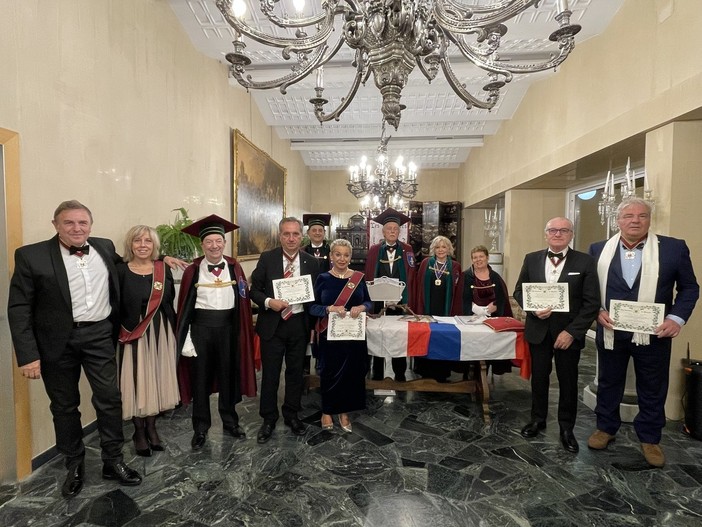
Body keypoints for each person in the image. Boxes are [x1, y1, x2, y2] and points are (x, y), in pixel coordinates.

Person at [7, 200, 142, 498]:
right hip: (57, 343)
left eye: (82, 223)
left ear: (91, 226)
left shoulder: (104, 247)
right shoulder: (31, 256)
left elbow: (129, 265)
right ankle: (75, 464)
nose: (76, 228)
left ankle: (113, 461)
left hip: (99, 335)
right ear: (55, 225)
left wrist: (163, 260)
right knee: (64, 406)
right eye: (69, 223)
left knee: (109, 399)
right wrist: (28, 355)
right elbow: (19, 309)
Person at [587, 198, 699, 467]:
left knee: (652, 386)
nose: (635, 220)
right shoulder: (598, 249)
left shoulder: (673, 248)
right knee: (608, 382)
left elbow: (690, 288)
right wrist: (596, 311)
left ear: (650, 219)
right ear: (618, 220)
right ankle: (606, 428)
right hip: (611, 331)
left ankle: (650, 439)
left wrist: (676, 318)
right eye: (628, 216)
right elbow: (588, 290)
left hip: (654, 334)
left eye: (642, 215)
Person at [513, 217, 600, 453]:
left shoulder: (585, 261)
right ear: (546, 234)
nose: (557, 234)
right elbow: (519, 291)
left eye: (563, 230)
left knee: (568, 381)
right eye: (553, 230)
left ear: (571, 234)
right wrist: (531, 308)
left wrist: (572, 332)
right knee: (539, 378)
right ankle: (537, 419)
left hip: (567, 333)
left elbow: (592, 303)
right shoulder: (531, 259)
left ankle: (566, 428)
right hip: (538, 330)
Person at [176, 215, 257, 450]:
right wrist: (187, 336)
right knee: (200, 379)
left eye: (218, 241)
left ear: (224, 242)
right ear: (202, 245)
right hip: (201, 329)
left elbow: (243, 299)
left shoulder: (234, 266)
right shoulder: (193, 270)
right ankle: (200, 428)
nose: (214, 246)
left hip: (229, 329)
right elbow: (186, 306)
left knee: (228, 376)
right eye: (209, 242)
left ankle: (230, 421)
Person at [250, 217, 320, 443]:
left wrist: (311, 327)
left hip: (299, 325)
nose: (291, 238)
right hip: (273, 324)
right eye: (286, 234)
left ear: (302, 236)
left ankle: (292, 414)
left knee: (295, 374)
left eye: (295, 234)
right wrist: (270, 301)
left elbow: (315, 298)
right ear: (279, 236)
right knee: (270, 375)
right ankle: (268, 419)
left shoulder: (311, 262)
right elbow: (255, 291)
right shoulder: (267, 258)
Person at [117, 225, 179, 456]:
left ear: (155, 245)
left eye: (148, 241)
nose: (143, 245)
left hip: (160, 330)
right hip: (134, 332)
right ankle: (139, 431)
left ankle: (152, 428)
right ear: (130, 245)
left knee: (156, 377)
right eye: (137, 241)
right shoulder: (120, 270)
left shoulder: (163, 269)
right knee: (137, 380)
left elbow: (169, 301)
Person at [309, 239, 372, 432]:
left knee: (352, 375)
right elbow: (312, 307)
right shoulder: (323, 279)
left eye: (346, 255)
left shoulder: (359, 278)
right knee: (330, 374)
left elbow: (370, 303)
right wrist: (329, 308)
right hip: (330, 335)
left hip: (354, 337)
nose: (342, 258)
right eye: (338, 254)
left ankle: (344, 412)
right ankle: (327, 411)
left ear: (350, 257)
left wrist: (362, 307)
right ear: (331, 256)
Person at [364, 207, 416, 381]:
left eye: (395, 229)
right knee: (378, 336)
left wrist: (403, 296)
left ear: (399, 231)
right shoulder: (374, 250)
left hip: (400, 303)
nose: (392, 231)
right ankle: (377, 374)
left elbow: (411, 276)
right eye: (389, 229)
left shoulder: (407, 249)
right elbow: (369, 276)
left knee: (398, 337)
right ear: (383, 231)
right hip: (379, 304)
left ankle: (400, 374)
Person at [413, 235, 463, 382]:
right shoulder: (425, 263)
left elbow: (457, 290)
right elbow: (418, 287)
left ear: (449, 249)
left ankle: (443, 371)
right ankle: (424, 370)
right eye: (437, 247)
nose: (441, 250)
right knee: (427, 337)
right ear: (433, 249)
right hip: (427, 307)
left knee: (443, 338)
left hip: (446, 309)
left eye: (444, 247)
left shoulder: (455, 266)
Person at [463, 245, 514, 375]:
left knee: (489, 348)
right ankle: (471, 374)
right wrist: (476, 309)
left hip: (493, 319)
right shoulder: (466, 276)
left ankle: (485, 373)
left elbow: (502, 298)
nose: (478, 260)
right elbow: (461, 297)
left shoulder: (496, 277)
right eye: (475, 257)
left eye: (481, 256)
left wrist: (490, 309)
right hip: (471, 319)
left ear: (487, 258)